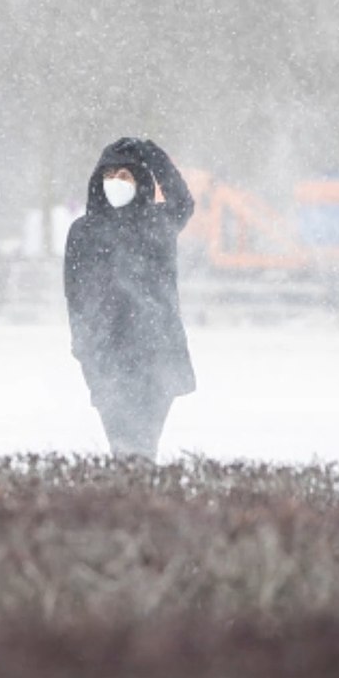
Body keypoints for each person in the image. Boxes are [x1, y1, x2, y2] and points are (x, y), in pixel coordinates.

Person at [63, 137, 196, 461]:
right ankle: (132, 507)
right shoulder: (84, 230)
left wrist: (151, 152)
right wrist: (84, 347)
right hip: (106, 356)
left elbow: (183, 201)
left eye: (124, 176)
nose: (114, 183)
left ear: (140, 180)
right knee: (122, 449)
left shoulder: (158, 222)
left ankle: (137, 507)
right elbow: (74, 294)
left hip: (156, 354)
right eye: (109, 176)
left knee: (143, 449)